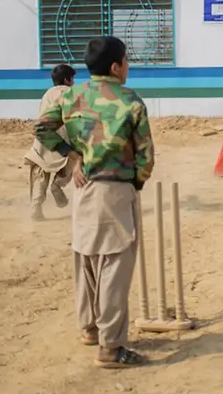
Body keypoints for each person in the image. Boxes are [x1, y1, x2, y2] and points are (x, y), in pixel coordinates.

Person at [35, 36, 153, 368]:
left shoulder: (71, 95)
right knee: (115, 264)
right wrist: (135, 182)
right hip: (115, 189)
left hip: (83, 188)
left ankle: (89, 330)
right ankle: (111, 348)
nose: (128, 66)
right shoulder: (130, 101)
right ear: (116, 67)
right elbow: (145, 155)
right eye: (127, 61)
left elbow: (42, 129)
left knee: (86, 256)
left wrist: (72, 155)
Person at [23, 63, 76, 221]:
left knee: (40, 172)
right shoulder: (71, 93)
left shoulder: (46, 94)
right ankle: (57, 185)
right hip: (64, 140)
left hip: (43, 139)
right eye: (72, 78)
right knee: (71, 162)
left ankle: (36, 208)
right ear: (67, 79)